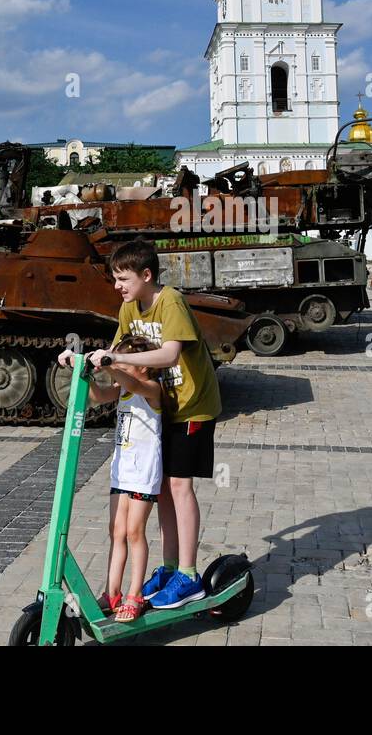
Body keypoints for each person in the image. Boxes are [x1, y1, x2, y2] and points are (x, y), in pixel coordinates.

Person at [59, 239, 221, 610]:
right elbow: (119, 355)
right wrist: (83, 360)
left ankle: (189, 575)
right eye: (115, 278)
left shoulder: (170, 302)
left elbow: (169, 353)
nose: (117, 285)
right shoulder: (129, 307)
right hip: (159, 405)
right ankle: (168, 567)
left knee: (179, 486)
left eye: (123, 278)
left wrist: (113, 356)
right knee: (161, 486)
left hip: (191, 406)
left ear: (146, 275)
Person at [88, 334, 163, 622]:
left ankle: (135, 594)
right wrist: (81, 369)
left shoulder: (150, 388)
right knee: (116, 531)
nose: (120, 367)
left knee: (134, 532)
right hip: (122, 470)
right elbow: (96, 397)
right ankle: (112, 593)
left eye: (126, 361)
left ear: (143, 365)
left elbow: (132, 383)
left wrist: (109, 363)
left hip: (144, 472)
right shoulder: (123, 389)